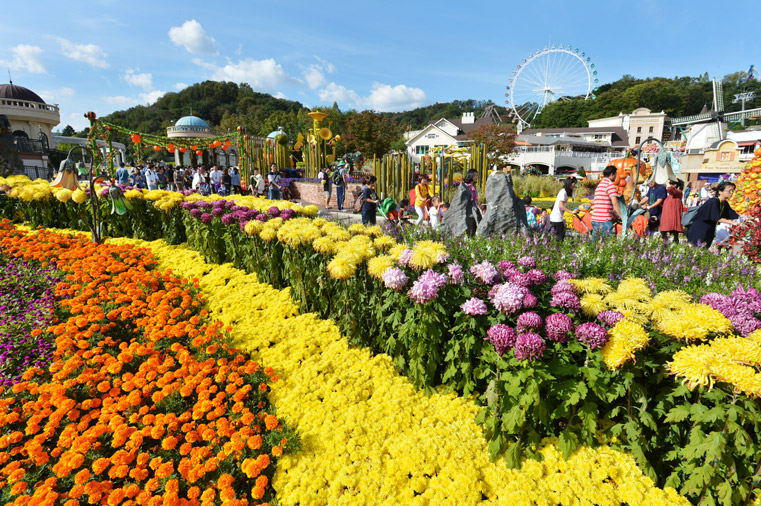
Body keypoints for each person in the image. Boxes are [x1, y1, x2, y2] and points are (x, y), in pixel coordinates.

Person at [687, 181, 740, 248]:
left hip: (709, 229)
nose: (731, 193)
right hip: (699, 229)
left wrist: (744, 219)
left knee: (704, 251)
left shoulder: (724, 203)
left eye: (733, 191)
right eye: (729, 190)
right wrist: (732, 222)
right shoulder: (714, 201)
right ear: (720, 191)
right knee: (695, 250)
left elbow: (733, 215)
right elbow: (716, 218)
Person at [590, 166, 621, 239]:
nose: (616, 177)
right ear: (612, 175)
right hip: (605, 220)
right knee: (606, 245)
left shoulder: (600, 185)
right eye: (615, 175)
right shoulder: (610, 185)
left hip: (595, 219)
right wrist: (621, 216)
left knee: (595, 245)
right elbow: (615, 203)